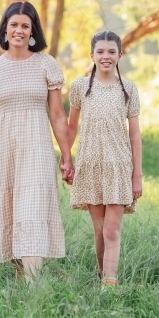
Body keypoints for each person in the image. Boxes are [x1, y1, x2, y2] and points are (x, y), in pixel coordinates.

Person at [0, 1, 74, 282]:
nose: (19, 30)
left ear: (32, 32)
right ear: (5, 29)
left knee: (32, 208)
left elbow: (56, 114)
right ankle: (21, 279)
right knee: (11, 209)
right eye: (14, 24)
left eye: (25, 26)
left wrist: (66, 156)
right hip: (4, 149)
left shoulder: (45, 64)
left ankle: (32, 287)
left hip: (38, 147)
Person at [67, 31, 142, 287]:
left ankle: (110, 282)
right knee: (99, 232)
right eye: (100, 51)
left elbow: (135, 136)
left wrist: (137, 175)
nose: (106, 56)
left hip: (119, 166)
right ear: (92, 55)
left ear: (120, 55)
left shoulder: (128, 89)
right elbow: (71, 127)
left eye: (111, 51)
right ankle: (101, 274)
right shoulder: (79, 87)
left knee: (111, 230)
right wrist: (67, 158)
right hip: (90, 165)